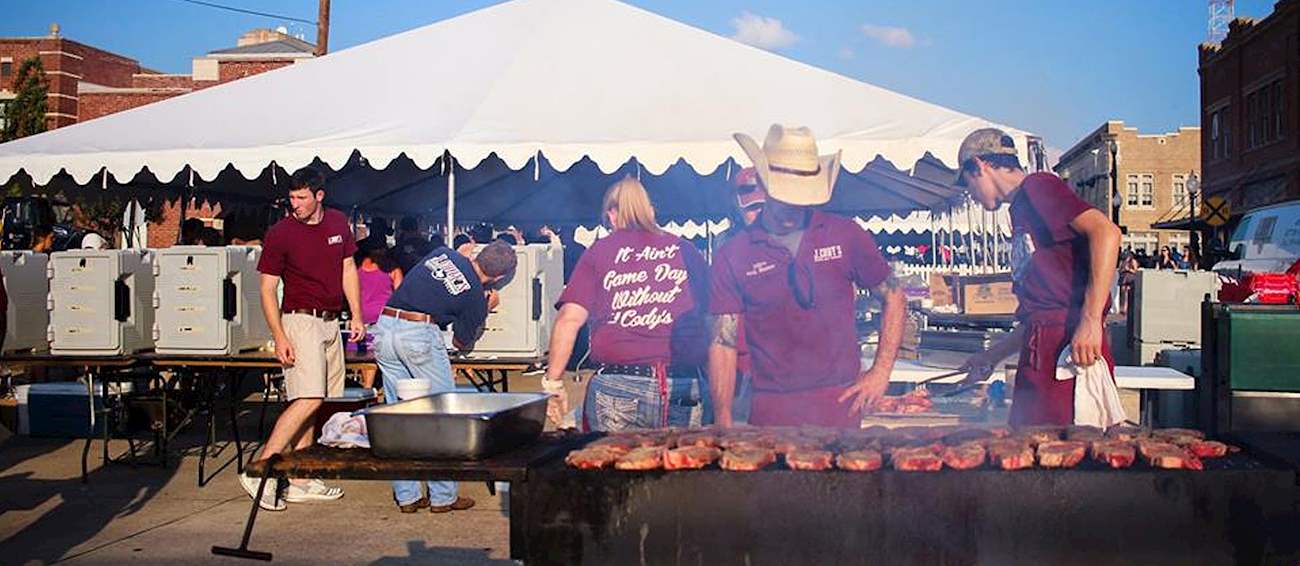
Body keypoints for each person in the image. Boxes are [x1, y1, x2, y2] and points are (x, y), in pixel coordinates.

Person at [708, 125, 905, 428]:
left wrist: (881, 372)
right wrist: (722, 417)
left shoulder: (845, 234)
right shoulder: (734, 254)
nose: (794, 206)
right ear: (762, 182)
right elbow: (723, 342)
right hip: (770, 407)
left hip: (841, 402)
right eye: (785, 196)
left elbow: (893, 295)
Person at [954, 128, 1122, 426]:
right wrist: (991, 356)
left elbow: (1106, 232)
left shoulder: (1038, 186)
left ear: (979, 166)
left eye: (967, 183)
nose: (970, 194)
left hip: (1068, 353)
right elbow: (1041, 313)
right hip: (1041, 351)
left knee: (1068, 457)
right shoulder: (1020, 209)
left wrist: (1091, 320)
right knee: (1029, 455)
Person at [541, 176, 711, 431]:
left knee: (611, 466)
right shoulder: (685, 250)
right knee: (680, 468)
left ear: (611, 215)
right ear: (651, 211)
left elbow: (569, 319)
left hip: (617, 385)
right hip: (683, 384)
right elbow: (716, 315)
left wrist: (553, 383)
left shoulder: (600, 251)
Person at [241, 167, 364, 511]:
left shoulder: (338, 222)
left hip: (330, 321)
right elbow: (266, 289)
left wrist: (356, 314)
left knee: (317, 399)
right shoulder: (280, 233)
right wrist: (278, 335)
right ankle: (259, 471)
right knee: (307, 397)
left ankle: (299, 477)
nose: (295, 204)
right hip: (298, 319)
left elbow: (348, 269)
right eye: (291, 198)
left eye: (301, 198)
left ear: (319, 195)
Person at [373, 240, 516, 513]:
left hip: (386, 325)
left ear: (477, 254)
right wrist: (485, 308)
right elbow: (462, 342)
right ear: (498, 278)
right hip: (419, 333)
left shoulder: (443, 253)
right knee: (442, 414)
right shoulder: (475, 296)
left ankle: (407, 496)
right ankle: (442, 496)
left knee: (398, 415)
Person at [710, 167, 766, 424]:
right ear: (738, 209)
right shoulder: (728, 249)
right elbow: (722, 331)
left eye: (764, 206)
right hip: (743, 373)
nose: (760, 215)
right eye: (752, 208)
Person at [355, 245, 403, 388]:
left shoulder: (357, 268)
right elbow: (400, 296)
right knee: (389, 360)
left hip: (362, 317)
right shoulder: (393, 269)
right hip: (385, 318)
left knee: (367, 359)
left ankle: (368, 390)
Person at [1118, 250, 1139, 315]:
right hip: (1124, 278)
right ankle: (1123, 308)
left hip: (1130, 278)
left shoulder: (1133, 261)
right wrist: (1123, 270)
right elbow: (1119, 270)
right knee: (1123, 294)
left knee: (1129, 294)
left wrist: (1129, 269)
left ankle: (1128, 308)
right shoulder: (1122, 262)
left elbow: (1136, 271)